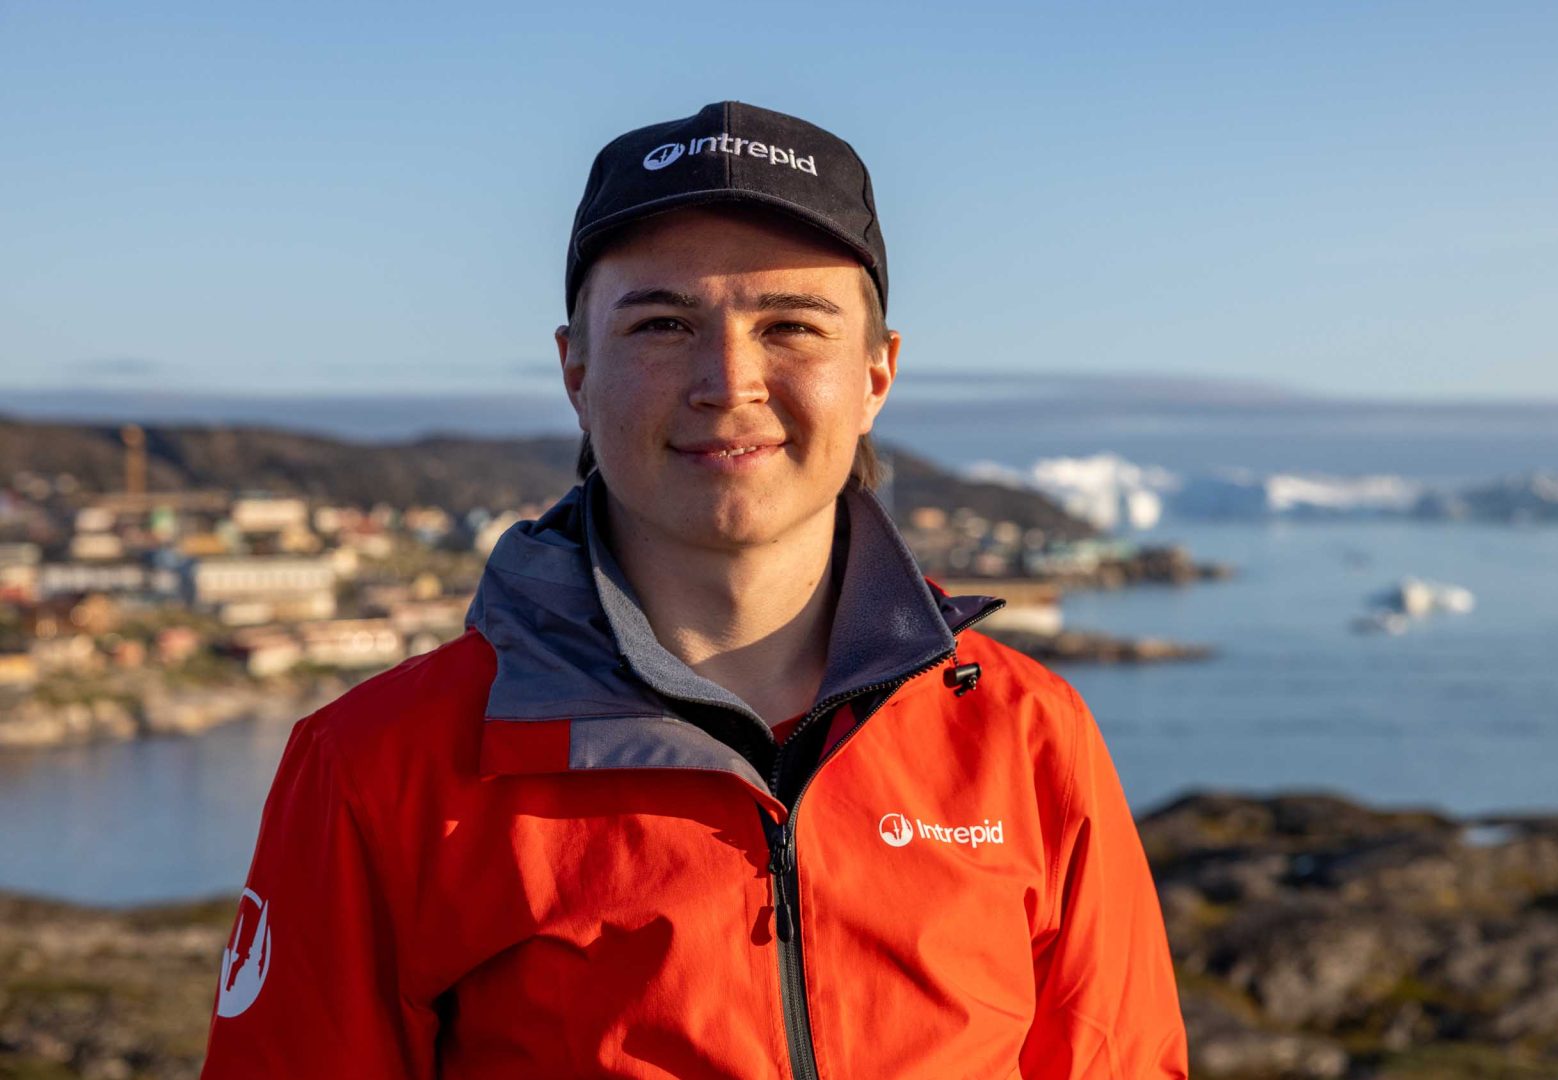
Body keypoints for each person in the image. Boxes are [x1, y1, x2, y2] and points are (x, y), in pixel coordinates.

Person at [200, 100, 1188, 1079]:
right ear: (575, 367)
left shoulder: (1027, 734)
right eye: (663, 323)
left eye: (792, 326)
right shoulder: (379, 765)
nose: (728, 381)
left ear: (877, 374)